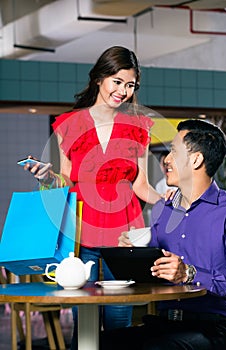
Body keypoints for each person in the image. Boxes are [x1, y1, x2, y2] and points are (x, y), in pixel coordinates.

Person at [23, 46, 170, 347]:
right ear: (100, 78)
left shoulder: (139, 127)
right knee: (85, 318)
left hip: (124, 234)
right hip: (80, 230)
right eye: (117, 81)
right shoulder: (70, 125)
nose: (123, 91)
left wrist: (172, 203)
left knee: (120, 319)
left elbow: (141, 185)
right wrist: (47, 176)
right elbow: (66, 178)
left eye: (130, 85)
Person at [101, 119, 226, 350]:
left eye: (173, 151)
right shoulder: (165, 209)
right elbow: (152, 268)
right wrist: (132, 253)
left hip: (215, 326)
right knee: (98, 342)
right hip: (165, 323)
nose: (166, 160)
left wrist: (189, 273)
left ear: (196, 159)